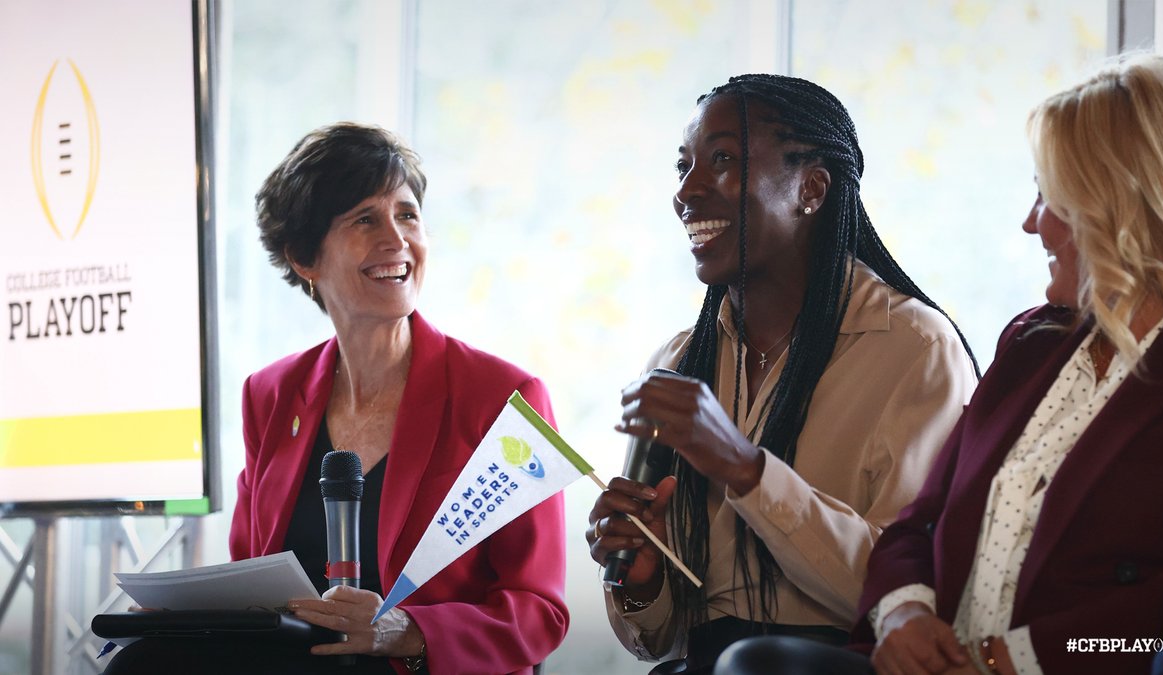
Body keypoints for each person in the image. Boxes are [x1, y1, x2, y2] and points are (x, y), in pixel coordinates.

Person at [711, 52, 1163, 675]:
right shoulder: (1031, 345)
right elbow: (918, 524)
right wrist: (903, 614)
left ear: (1132, 206)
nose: (1033, 224)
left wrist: (1009, 660)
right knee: (752, 665)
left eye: (1052, 197)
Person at [105, 123, 568, 675]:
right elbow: (252, 575)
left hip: (413, 666)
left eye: (407, 214)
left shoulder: (506, 398)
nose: (396, 240)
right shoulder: (270, 394)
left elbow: (539, 611)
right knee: (143, 663)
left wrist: (404, 631)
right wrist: (186, 613)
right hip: (295, 662)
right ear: (304, 257)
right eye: (365, 219)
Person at [583, 74, 979, 674]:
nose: (687, 190)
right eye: (683, 165)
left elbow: (912, 595)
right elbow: (658, 638)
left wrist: (745, 471)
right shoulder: (679, 362)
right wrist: (645, 577)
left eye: (722, 160)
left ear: (812, 189)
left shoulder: (915, 348)